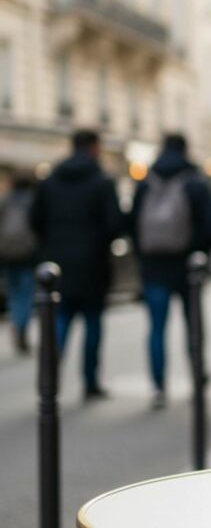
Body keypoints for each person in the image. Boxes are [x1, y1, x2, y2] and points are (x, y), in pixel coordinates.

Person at [31, 130, 123, 400]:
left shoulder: (50, 181)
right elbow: (115, 225)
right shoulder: (102, 182)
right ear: (94, 148)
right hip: (92, 265)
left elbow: (35, 221)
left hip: (55, 265)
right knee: (92, 324)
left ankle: (49, 381)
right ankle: (90, 381)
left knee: (59, 321)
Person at [129, 134, 211, 410]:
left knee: (156, 329)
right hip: (188, 267)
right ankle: (197, 376)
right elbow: (208, 226)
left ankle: (158, 386)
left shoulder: (146, 182)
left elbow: (132, 225)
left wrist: (143, 259)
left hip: (154, 267)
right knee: (194, 327)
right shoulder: (194, 182)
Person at [0, 168, 39, 355]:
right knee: (26, 293)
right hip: (28, 254)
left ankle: (16, 322)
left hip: (7, 254)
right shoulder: (33, 202)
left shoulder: (5, 201)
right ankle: (22, 326)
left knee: (14, 293)